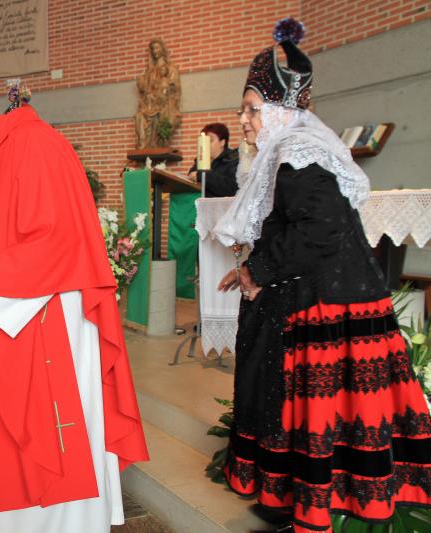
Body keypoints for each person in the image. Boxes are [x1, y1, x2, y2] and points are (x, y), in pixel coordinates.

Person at [213, 19, 431, 532]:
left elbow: (322, 231)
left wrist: (257, 270)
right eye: (243, 109)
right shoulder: (289, 154)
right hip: (313, 293)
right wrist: (252, 269)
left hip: (326, 304)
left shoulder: (300, 157)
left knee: (315, 414)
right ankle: (288, 498)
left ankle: (309, 507)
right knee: (292, 409)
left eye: (251, 109)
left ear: (283, 111)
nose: (242, 120)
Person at [0, 94, 148, 533]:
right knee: (6, 442)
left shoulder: (38, 146)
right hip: (10, 316)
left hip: (51, 321)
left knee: (54, 443)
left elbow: (55, 241)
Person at [134, 38, 181, 148]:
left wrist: (164, 89)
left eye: (157, 47)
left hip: (163, 103)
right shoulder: (150, 72)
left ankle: (157, 143)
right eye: (152, 49)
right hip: (150, 104)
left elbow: (174, 88)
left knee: (160, 117)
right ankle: (143, 145)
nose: (155, 51)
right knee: (139, 116)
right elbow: (145, 89)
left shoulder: (171, 69)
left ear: (162, 49)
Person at [187, 123, 239, 197]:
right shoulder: (202, 159)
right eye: (204, 141)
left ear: (222, 142)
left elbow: (231, 188)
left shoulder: (233, 159)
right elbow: (191, 175)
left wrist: (202, 175)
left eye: (210, 140)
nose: (206, 144)